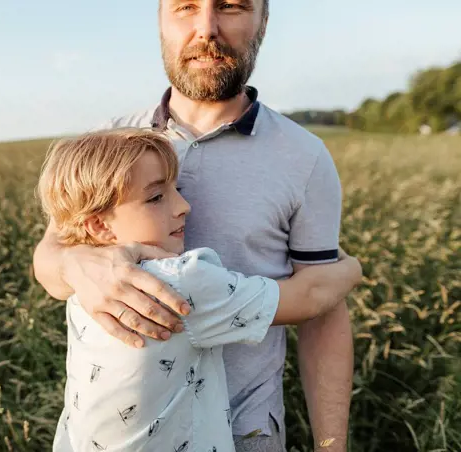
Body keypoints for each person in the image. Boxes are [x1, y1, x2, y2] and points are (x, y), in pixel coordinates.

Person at [33, 1, 356, 450]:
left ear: (263, 20)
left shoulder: (305, 156)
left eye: (231, 6)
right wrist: (76, 265)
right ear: (161, 21)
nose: (206, 28)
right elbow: (50, 258)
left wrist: (332, 444)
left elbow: (323, 310)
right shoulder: (109, 144)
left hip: (247, 434)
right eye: (186, 7)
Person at [36, 129, 362, 452]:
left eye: (175, 189)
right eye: (155, 197)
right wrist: (352, 267)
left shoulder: (85, 281)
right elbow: (308, 298)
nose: (183, 206)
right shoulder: (179, 282)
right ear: (99, 224)